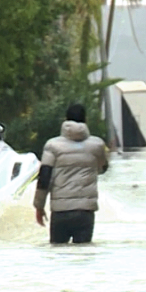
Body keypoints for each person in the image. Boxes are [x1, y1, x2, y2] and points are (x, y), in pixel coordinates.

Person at [33, 103, 109, 244]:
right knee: (83, 253)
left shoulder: (52, 145)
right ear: (85, 120)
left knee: (58, 253)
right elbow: (103, 168)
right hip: (85, 211)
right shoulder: (97, 145)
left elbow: (44, 177)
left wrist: (39, 206)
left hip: (60, 211)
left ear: (66, 120)